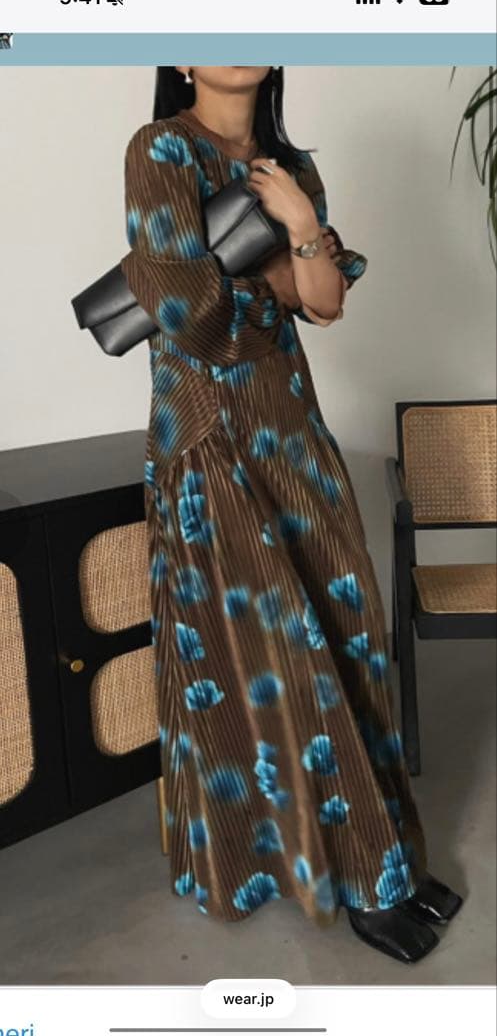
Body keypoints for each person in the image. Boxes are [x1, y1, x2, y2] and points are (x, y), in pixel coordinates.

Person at [120, 65, 462, 964]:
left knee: (346, 627)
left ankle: (382, 852)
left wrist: (301, 227)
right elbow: (187, 317)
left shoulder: (290, 169)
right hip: (208, 438)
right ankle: (363, 879)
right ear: (180, 57)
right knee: (271, 658)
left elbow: (326, 301)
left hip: (291, 423)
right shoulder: (160, 151)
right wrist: (278, 276)